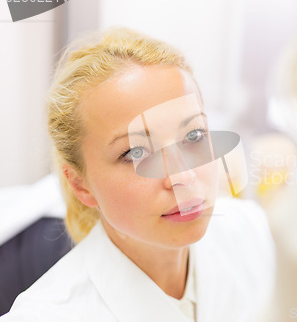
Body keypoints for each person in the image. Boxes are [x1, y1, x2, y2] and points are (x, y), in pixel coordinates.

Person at [0, 27, 275, 321]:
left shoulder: (248, 231)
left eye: (193, 135)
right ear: (81, 186)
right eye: (136, 153)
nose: (182, 176)